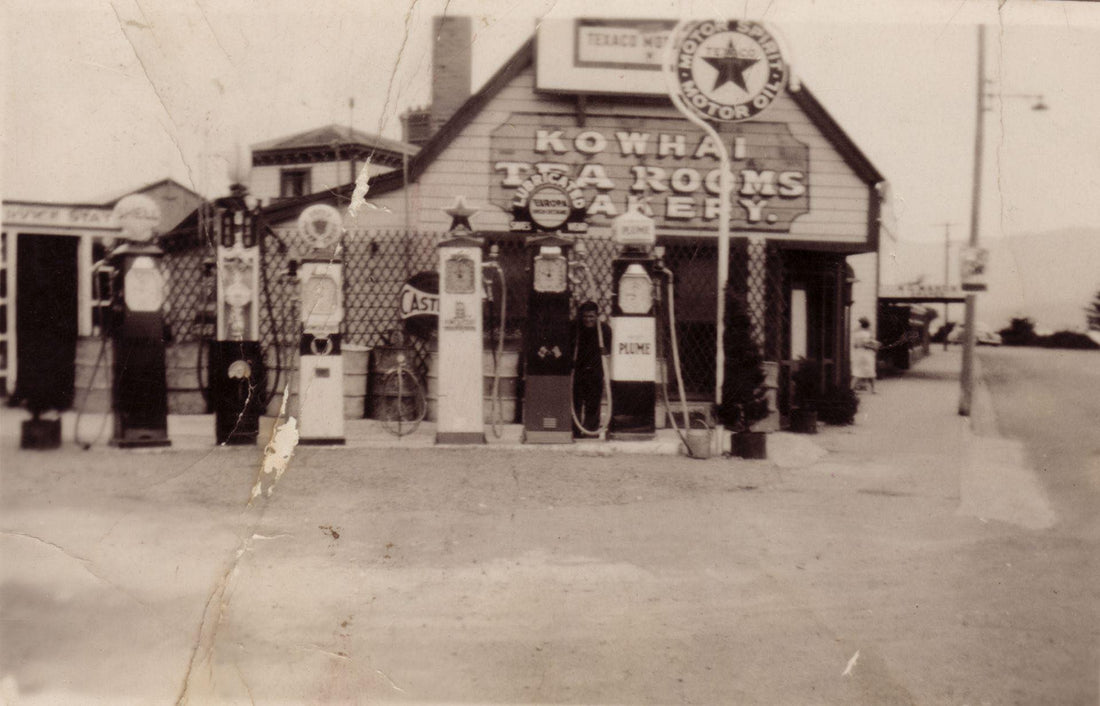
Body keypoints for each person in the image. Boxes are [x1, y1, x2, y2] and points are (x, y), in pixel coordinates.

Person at [571, 301, 611, 438]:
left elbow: (608, 350)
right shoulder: (576, 329)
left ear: (597, 316)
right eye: (585, 316)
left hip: (595, 370)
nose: (588, 319)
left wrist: (605, 351)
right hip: (578, 370)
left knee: (593, 401)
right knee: (575, 400)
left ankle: (591, 431)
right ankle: (575, 430)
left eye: (591, 316)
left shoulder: (604, 329)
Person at [852, 316, 879, 393]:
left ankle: (851, 388)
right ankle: (873, 389)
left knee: (857, 372)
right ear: (868, 325)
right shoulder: (869, 333)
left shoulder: (856, 333)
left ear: (861, 324)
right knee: (871, 372)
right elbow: (871, 344)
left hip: (858, 353)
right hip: (867, 354)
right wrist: (874, 346)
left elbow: (855, 345)